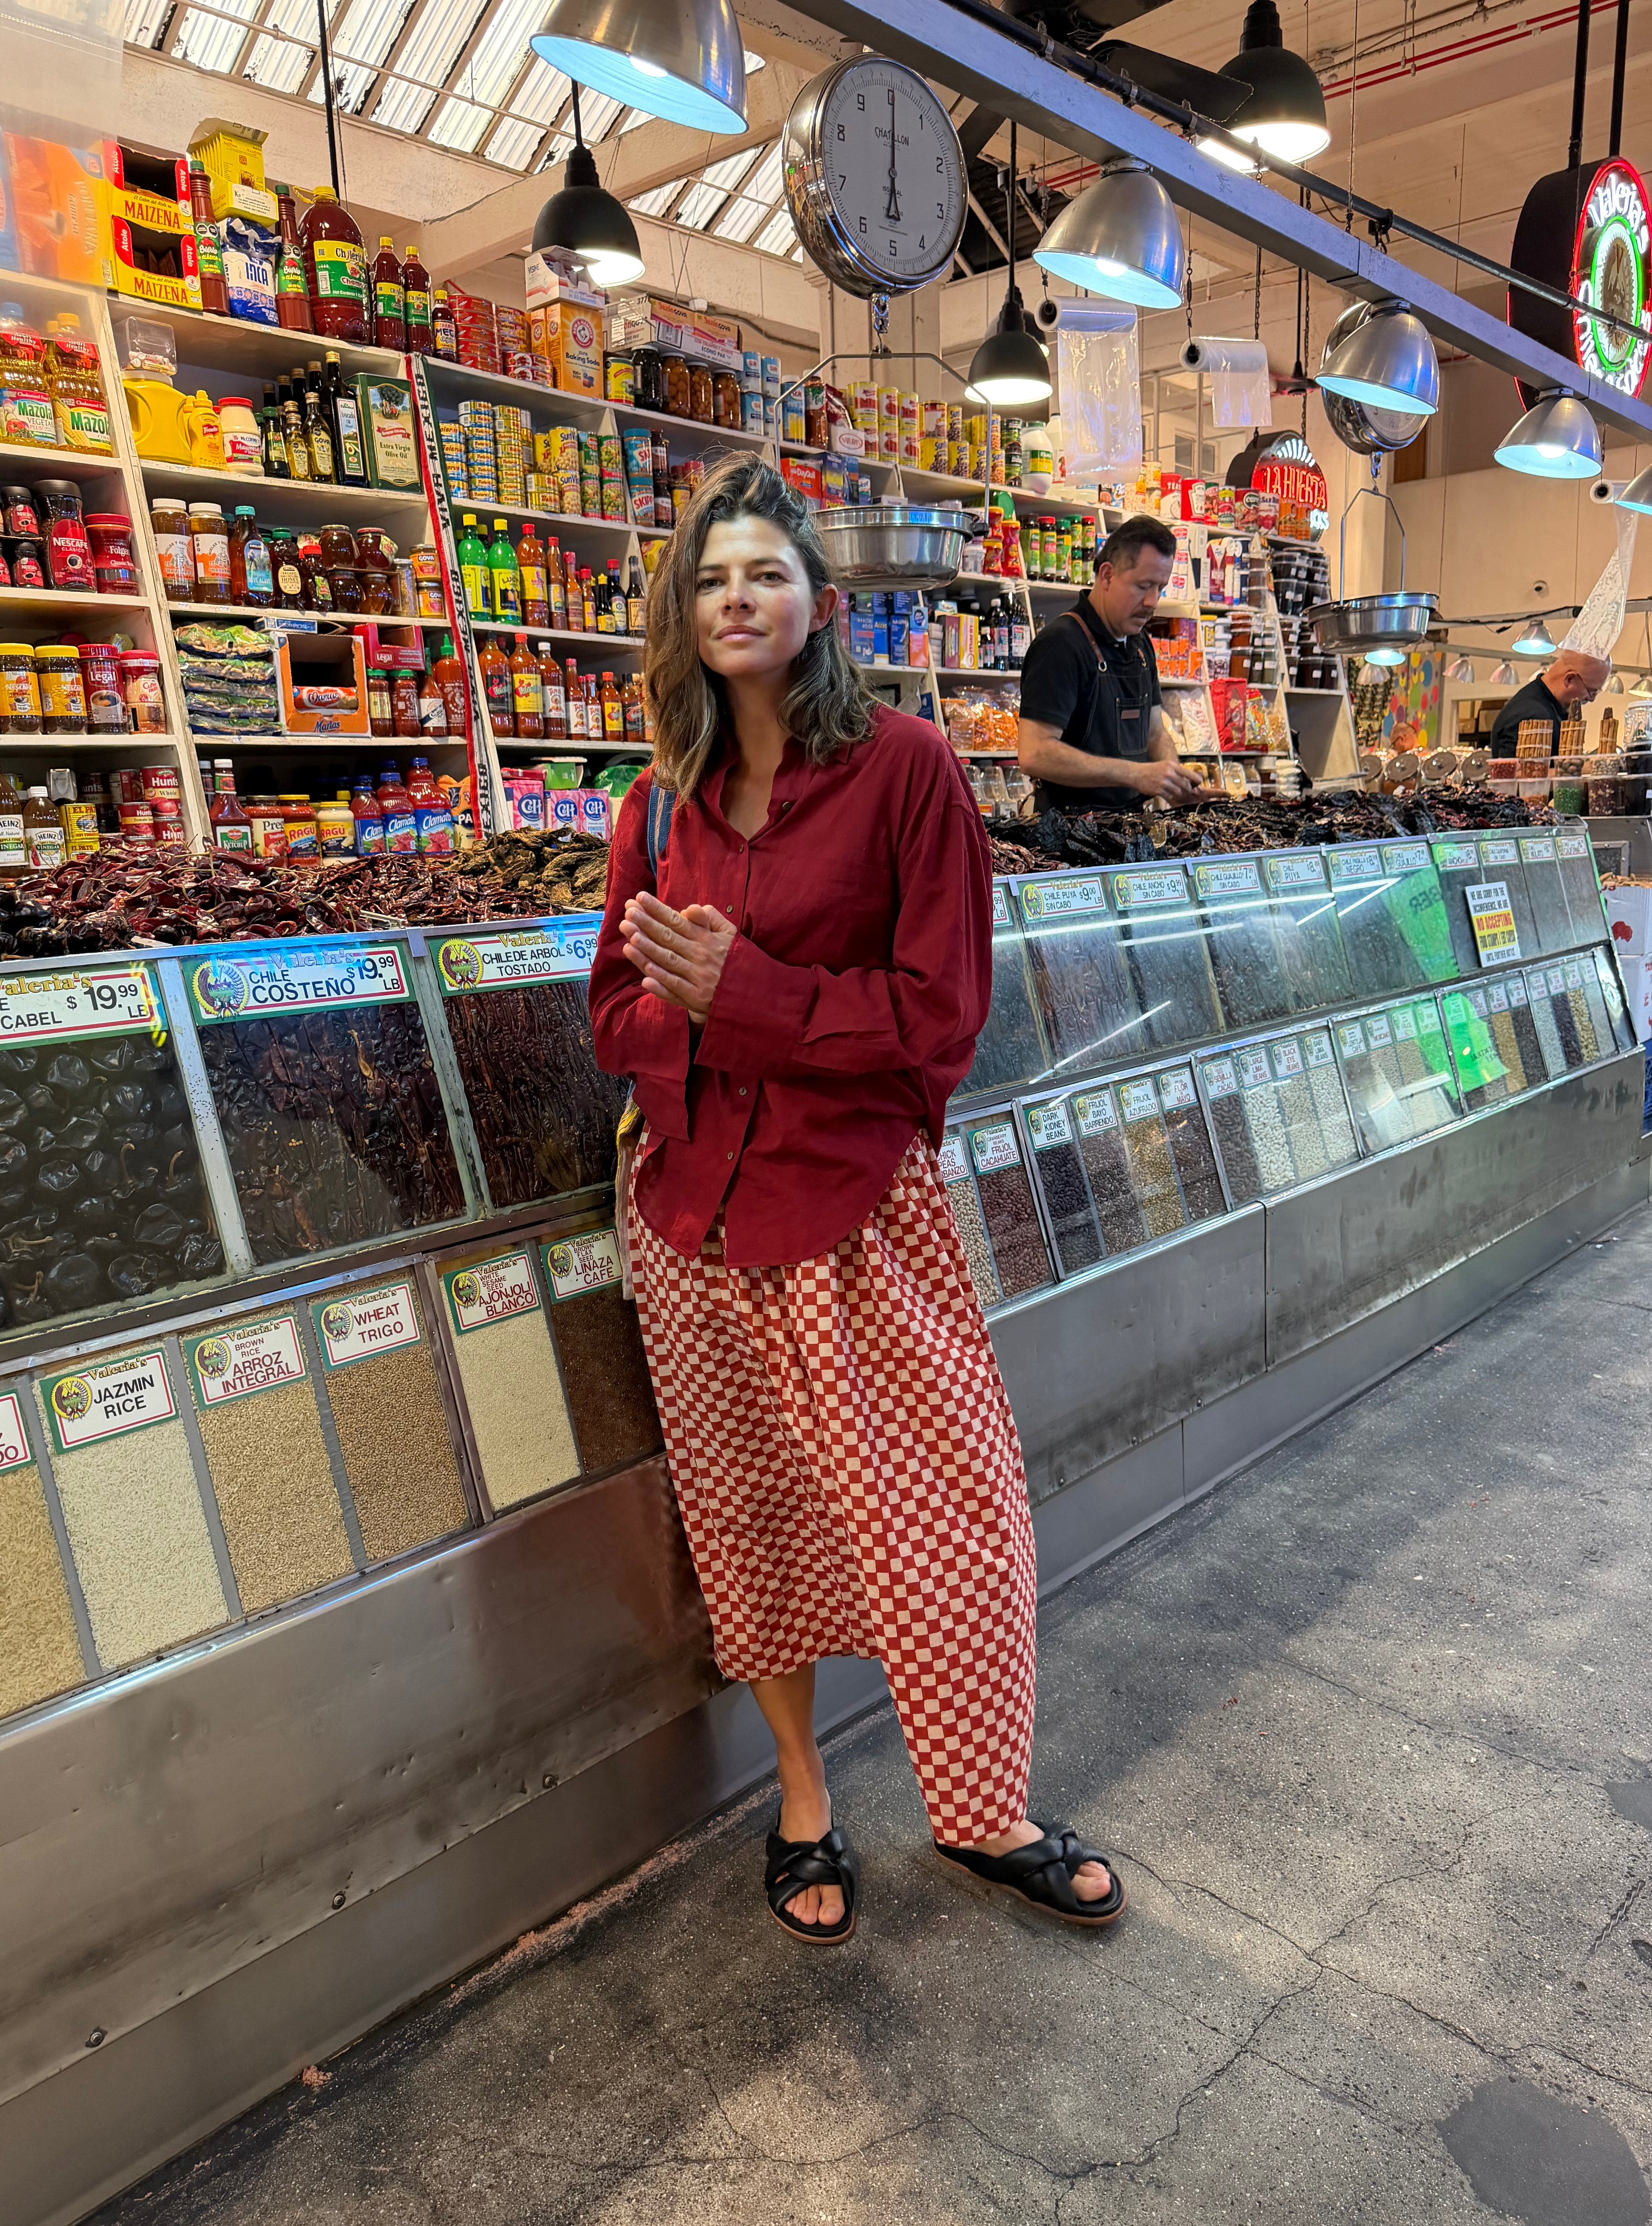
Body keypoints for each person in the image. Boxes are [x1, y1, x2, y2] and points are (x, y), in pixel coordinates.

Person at [589, 454, 1125, 1945]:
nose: (736, 599)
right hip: (689, 1223)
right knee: (752, 1521)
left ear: (819, 604)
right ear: (682, 615)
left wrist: (748, 996)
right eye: (710, 579)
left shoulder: (905, 771)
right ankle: (802, 1792)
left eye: (764, 573)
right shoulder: (659, 802)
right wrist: (689, 1014)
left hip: (854, 1219)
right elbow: (613, 1011)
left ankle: (983, 1807)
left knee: (955, 1516)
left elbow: (939, 1015)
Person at [1016, 511, 1204, 810]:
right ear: (1107, 576)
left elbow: (1155, 732)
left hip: (1130, 824)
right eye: (1143, 586)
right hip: (1068, 828)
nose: (1153, 602)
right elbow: (1034, 753)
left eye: (1160, 588)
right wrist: (1134, 774)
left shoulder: (1141, 645)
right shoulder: (1061, 644)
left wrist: (1175, 782)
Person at [1488, 648, 1611, 755]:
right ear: (1569, 679)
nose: (1592, 699)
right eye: (1591, 692)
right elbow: (1514, 772)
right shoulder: (1532, 715)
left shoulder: (1550, 708)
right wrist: (1585, 769)